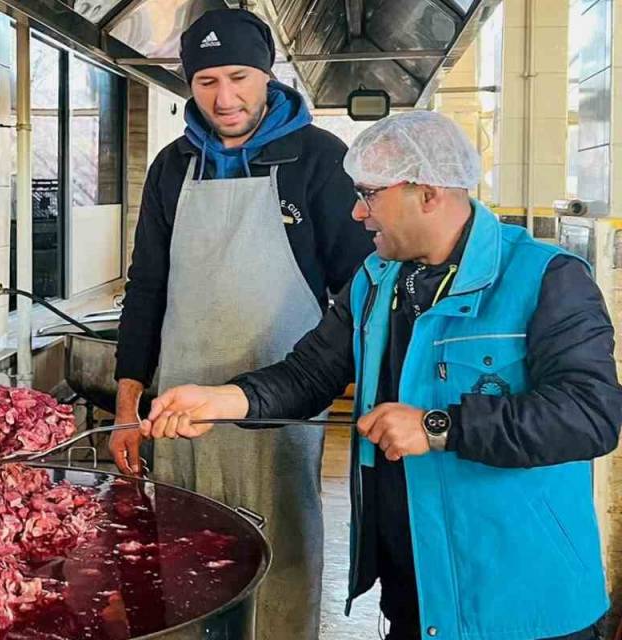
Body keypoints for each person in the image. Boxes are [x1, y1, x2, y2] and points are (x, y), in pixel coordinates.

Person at [143, 110, 621, 640]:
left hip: (521, 597)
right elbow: (309, 374)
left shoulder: (546, 278)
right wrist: (223, 400)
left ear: (428, 193)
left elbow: (591, 415)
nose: (357, 212)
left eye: (369, 194)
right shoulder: (377, 279)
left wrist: (438, 427)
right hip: (414, 587)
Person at [111, 8, 373, 637]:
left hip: (281, 404)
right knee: (185, 558)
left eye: (238, 77)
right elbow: (146, 289)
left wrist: (366, 388)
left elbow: (362, 290)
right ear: (189, 85)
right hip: (179, 412)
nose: (224, 97)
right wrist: (127, 404)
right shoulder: (174, 166)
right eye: (206, 82)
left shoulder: (319, 159)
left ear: (267, 75)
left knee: (278, 551)